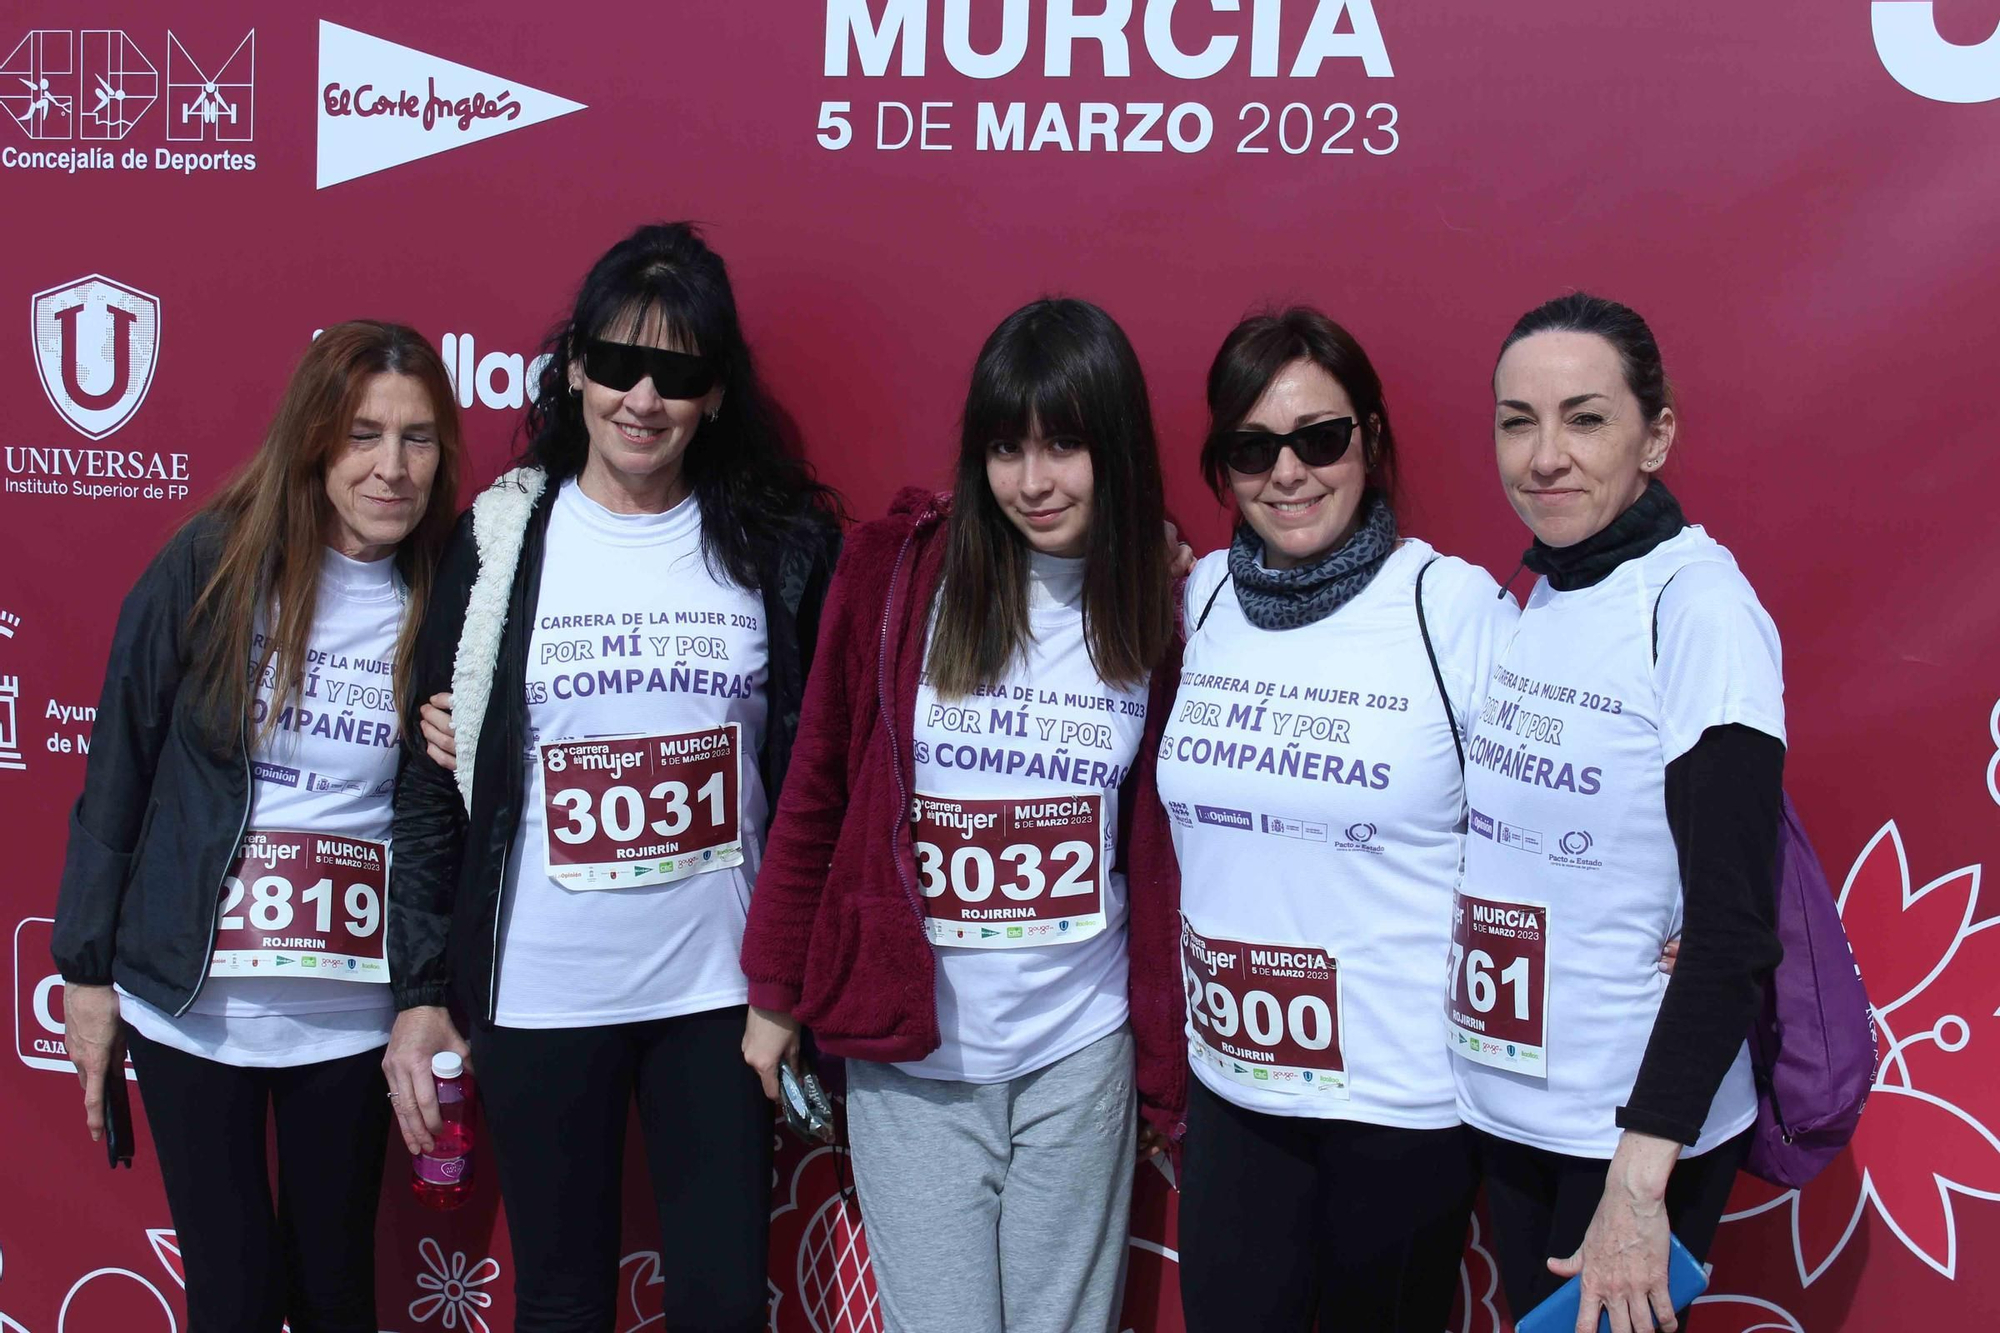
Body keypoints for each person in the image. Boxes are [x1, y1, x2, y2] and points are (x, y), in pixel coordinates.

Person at [383, 222, 842, 1331]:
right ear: (574, 367)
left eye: (678, 371)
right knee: (558, 1297)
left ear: (715, 393)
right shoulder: (500, 539)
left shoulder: (777, 544)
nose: (643, 396)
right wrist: (419, 991)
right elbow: (431, 786)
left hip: (718, 1002)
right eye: (618, 362)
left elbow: (826, 756)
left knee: (725, 1301)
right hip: (543, 992)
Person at [738, 298, 1185, 1333]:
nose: (1033, 481)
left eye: (1064, 445)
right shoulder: (896, 575)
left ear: (1113, 447)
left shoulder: (1157, 608)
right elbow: (818, 791)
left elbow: (1165, 849)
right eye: (1006, 448)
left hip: (1079, 1052)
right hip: (913, 1060)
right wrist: (774, 990)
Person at [52, 322, 464, 1332]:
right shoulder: (211, 561)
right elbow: (121, 765)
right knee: (230, 1301)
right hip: (196, 1007)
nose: (391, 467)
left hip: (348, 1016)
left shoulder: (447, 596)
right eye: (364, 434)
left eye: (416, 439)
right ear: (316, 439)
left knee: (334, 1294)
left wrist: (472, 741)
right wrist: (86, 969)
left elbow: (432, 823)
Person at [1146, 308, 1513, 1331]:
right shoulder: (1195, 600)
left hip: (1397, 1108)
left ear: (1372, 439)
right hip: (1233, 1099)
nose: (1288, 473)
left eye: (1320, 438)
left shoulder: (1452, 607)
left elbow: (1546, 825)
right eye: (1251, 448)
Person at [1454, 293, 1785, 1333]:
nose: (1543, 455)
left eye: (1584, 419)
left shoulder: (1698, 609)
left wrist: (1636, 1185)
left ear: (1656, 434)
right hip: (1516, 1107)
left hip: (1627, 1136)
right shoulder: (1544, 590)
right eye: (1517, 420)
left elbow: (1731, 928)